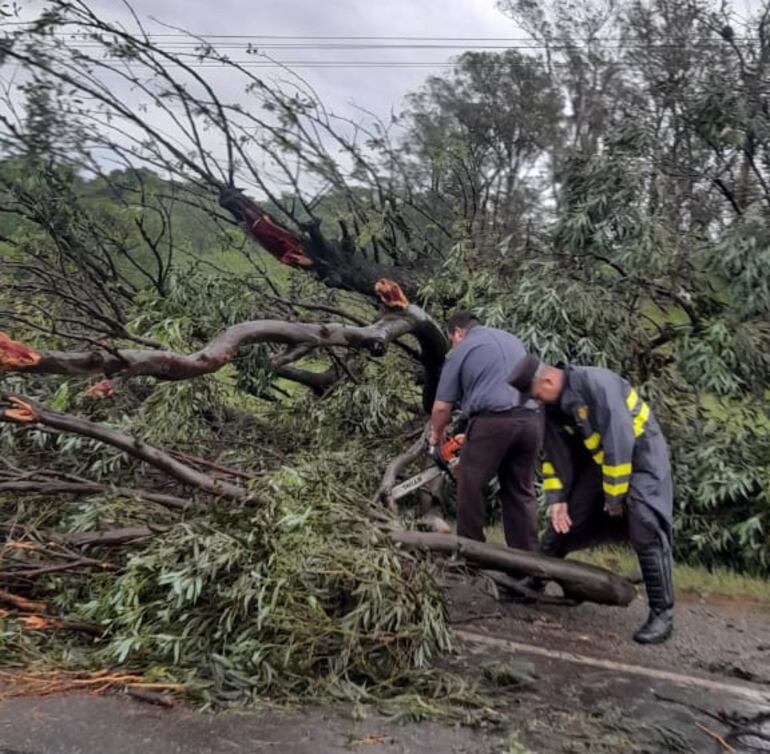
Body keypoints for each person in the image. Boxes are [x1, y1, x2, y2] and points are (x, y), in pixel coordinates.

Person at [510, 356, 675, 644]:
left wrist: (614, 497)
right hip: (602, 463)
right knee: (567, 518)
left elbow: (619, 441)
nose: (535, 401)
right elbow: (554, 454)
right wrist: (557, 498)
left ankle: (662, 613)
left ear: (548, 381)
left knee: (645, 525)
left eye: (535, 394)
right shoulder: (553, 406)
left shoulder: (597, 384)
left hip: (642, 455)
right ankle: (535, 579)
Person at [429, 312, 542, 551]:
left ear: (458, 333)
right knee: (519, 490)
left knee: (470, 484)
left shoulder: (460, 350)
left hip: (493, 421)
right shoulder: (512, 339)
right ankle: (528, 560)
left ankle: (472, 554)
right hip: (531, 420)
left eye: (452, 339)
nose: (453, 343)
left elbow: (441, 408)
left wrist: (436, 438)